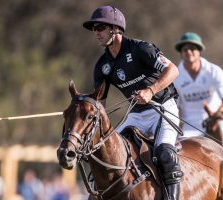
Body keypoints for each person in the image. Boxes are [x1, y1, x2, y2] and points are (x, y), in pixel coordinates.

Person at [83, 5, 183, 200]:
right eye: (94, 29)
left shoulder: (140, 49)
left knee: (165, 154)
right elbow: (100, 105)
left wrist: (151, 90)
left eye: (100, 27)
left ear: (115, 29)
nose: (96, 33)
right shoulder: (102, 66)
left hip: (162, 108)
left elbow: (173, 70)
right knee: (105, 154)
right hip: (136, 115)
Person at [173, 32, 223, 138]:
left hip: (217, 120)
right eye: (185, 49)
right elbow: (177, 108)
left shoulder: (214, 71)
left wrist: (216, 115)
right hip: (191, 127)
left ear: (199, 51)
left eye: (192, 48)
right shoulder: (175, 76)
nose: (189, 52)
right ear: (181, 52)